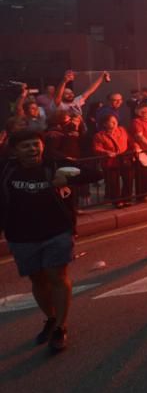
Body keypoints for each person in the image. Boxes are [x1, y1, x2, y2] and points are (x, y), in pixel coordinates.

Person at [0, 130, 101, 352]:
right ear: (15, 150)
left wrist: (68, 177)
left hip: (56, 231)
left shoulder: (55, 163)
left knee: (57, 276)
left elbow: (94, 174)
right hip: (21, 235)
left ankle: (60, 327)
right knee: (38, 281)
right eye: (25, 146)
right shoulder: (6, 167)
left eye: (35, 144)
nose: (32, 149)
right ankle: (51, 318)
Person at [91, 115, 133, 208]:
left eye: (115, 121)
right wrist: (107, 152)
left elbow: (130, 141)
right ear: (105, 124)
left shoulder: (122, 130)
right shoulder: (99, 135)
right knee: (113, 182)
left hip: (124, 159)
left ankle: (127, 198)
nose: (115, 123)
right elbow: (96, 148)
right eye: (111, 121)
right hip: (110, 161)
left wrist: (136, 147)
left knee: (128, 179)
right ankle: (116, 200)